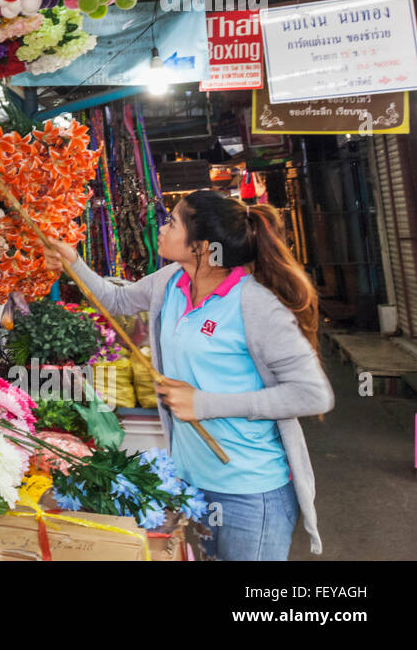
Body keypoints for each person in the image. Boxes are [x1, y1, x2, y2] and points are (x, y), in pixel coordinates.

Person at [43, 189, 334, 560]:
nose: (161, 229)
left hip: (249, 490)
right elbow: (117, 301)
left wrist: (204, 403)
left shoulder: (254, 304)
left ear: (202, 247)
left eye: (172, 222)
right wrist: (73, 263)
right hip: (194, 484)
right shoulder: (171, 281)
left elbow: (312, 394)